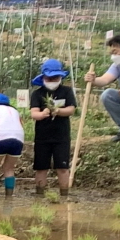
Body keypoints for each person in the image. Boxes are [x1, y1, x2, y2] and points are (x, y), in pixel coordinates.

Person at [29, 59, 78, 195]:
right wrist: (43, 113)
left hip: (61, 137)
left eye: (55, 77)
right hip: (42, 138)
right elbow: (33, 113)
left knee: (62, 167)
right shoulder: (37, 94)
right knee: (41, 167)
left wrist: (58, 111)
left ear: (60, 77)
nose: (52, 80)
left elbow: (71, 109)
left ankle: (64, 195)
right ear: (43, 77)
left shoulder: (67, 91)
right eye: (49, 78)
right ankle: (39, 194)